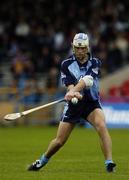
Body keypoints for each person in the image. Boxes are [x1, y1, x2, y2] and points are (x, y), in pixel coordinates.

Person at [28, 33, 116, 172]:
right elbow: (69, 85)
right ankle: (42, 160)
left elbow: (87, 80)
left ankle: (109, 163)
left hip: (91, 104)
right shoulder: (66, 64)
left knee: (101, 125)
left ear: (87, 48)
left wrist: (74, 91)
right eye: (77, 48)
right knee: (59, 141)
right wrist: (71, 91)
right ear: (73, 48)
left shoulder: (95, 62)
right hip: (74, 106)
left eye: (82, 48)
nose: (80, 51)